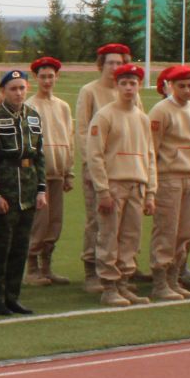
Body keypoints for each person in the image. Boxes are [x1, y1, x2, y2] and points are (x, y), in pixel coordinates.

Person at [87, 64, 157, 308]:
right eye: (124, 83)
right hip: (114, 185)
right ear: (116, 86)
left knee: (130, 237)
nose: (129, 88)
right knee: (109, 236)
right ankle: (109, 286)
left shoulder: (142, 118)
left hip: (137, 185)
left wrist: (151, 191)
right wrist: (103, 189)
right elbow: (95, 155)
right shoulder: (105, 115)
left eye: (133, 83)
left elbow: (149, 155)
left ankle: (124, 283)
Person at [0, 70, 48, 316]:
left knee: (21, 245)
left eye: (22, 88)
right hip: (7, 187)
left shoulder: (33, 117)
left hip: (29, 188)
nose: (18, 93)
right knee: (2, 246)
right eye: (13, 88)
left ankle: (13, 295)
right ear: (3, 92)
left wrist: (41, 189)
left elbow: (39, 155)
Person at [75, 44, 132, 292]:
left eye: (119, 63)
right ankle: (92, 270)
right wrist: (90, 164)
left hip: (124, 170)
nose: (115, 68)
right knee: (97, 221)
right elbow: (82, 130)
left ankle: (121, 267)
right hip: (98, 169)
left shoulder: (129, 93)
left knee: (125, 223)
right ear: (101, 65)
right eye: (110, 63)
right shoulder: (90, 92)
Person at [147, 65, 190, 303]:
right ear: (171, 86)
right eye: (182, 86)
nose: (188, 90)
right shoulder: (161, 111)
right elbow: (152, 148)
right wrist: (153, 183)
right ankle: (160, 282)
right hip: (169, 176)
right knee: (167, 231)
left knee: (184, 232)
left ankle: (174, 278)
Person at [24, 57, 75, 287]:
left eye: (50, 76)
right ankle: (32, 267)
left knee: (55, 222)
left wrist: (69, 172)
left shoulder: (63, 106)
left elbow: (69, 139)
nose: (47, 80)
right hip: (38, 175)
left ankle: (47, 266)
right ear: (36, 78)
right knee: (39, 222)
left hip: (58, 171)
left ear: (57, 77)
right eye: (42, 76)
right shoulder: (29, 106)